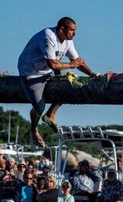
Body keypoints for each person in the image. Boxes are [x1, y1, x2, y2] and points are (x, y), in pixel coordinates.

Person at [18, 17, 97, 147]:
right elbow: (53, 64)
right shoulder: (48, 36)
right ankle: (33, 129)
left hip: (47, 72)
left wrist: (92, 74)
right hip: (31, 73)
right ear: (61, 29)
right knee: (39, 107)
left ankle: (51, 115)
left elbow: (77, 61)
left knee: (70, 84)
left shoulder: (68, 41)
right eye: (72, 30)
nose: (75, 33)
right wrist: (72, 65)